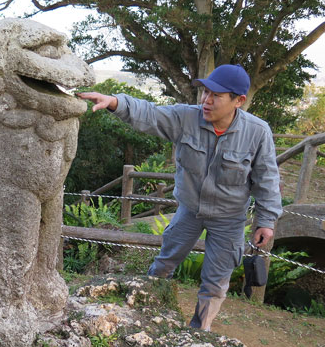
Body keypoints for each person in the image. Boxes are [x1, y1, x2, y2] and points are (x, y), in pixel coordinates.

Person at [77, 64, 282, 331]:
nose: (206, 101)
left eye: (216, 96)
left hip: (229, 218)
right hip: (189, 210)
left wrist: (266, 220)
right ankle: (147, 309)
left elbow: (267, 178)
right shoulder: (186, 117)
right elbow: (151, 114)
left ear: (238, 101)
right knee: (164, 262)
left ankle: (199, 331)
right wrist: (115, 102)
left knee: (216, 280)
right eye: (205, 93)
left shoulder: (257, 132)